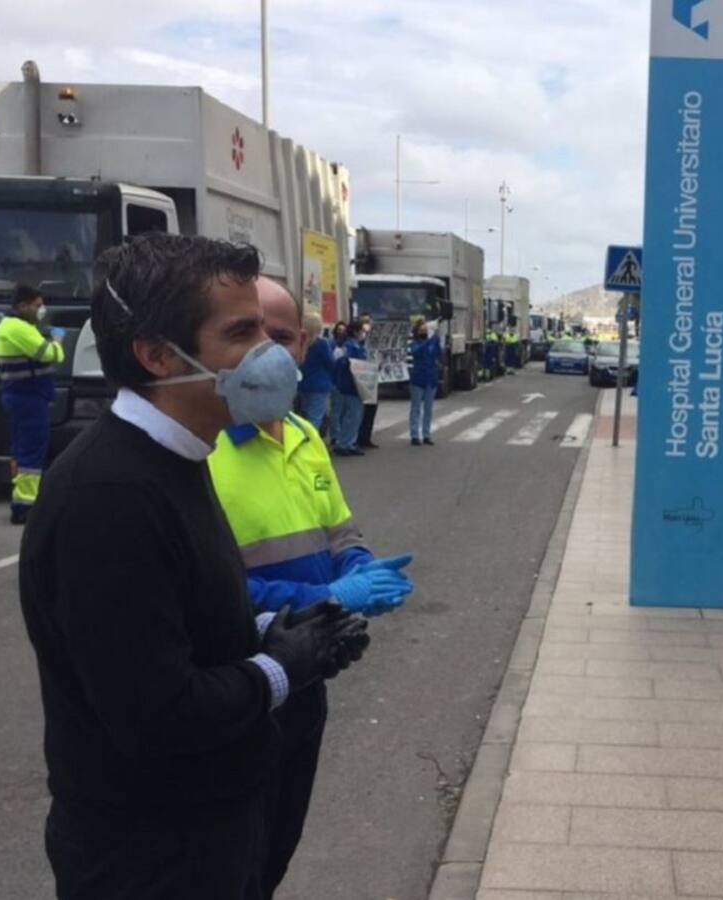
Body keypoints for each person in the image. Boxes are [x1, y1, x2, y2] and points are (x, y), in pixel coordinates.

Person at [18, 234, 369, 900]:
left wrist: (275, 629)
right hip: (151, 855)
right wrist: (280, 667)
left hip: (210, 827)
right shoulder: (111, 497)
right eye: (241, 332)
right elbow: (156, 714)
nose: (269, 353)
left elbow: (181, 623)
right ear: (157, 355)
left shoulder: (183, 455)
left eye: (268, 330)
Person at [208, 277, 413, 898]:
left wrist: (359, 567)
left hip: (307, 677)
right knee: (227, 863)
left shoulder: (303, 436)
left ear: (303, 348)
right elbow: (209, 590)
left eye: (283, 337)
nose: (268, 350)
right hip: (235, 687)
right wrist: (325, 603)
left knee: (276, 851)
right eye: (251, 333)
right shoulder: (205, 448)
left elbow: (339, 530)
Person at [0, 284, 66, 523]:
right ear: (22, 306)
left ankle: (20, 497)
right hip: (28, 398)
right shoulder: (18, 328)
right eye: (37, 305)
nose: (41, 309)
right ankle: (25, 506)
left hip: (20, 396)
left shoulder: (12, 327)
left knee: (21, 450)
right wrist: (58, 341)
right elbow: (49, 354)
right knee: (32, 453)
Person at [330, 320, 366, 456]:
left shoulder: (353, 345)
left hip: (353, 384)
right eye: (362, 331)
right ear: (356, 331)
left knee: (352, 415)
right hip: (351, 384)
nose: (363, 333)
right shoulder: (349, 346)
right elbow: (342, 363)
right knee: (353, 415)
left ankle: (348, 442)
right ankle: (345, 443)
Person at [297, 310, 334, 430]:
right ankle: (311, 443)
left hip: (302, 383)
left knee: (304, 415)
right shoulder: (322, 343)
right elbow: (330, 362)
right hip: (320, 385)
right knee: (315, 417)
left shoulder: (300, 343)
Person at [408, 318, 441, 446]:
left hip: (431, 378)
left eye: (426, 330)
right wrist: (430, 341)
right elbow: (417, 352)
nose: (424, 332)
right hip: (418, 379)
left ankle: (426, 434)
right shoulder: (415, 343)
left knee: (429, 409)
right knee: (416, 408)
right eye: (422, 330)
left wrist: (437, 340)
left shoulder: (432, 341)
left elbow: (438, 354)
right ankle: (414, 435)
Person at [356, 312, 379, 449]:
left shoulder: (375, 339)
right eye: (364, 322)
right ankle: (358, 437)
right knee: (360, 410)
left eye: (368, 322)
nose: (367, 325)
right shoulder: (358, 340)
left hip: (372, 378)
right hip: (360, 378)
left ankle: (366, 437)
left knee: (371, 409)